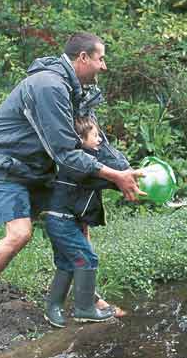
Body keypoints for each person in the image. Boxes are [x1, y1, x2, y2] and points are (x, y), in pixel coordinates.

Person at [0, 32, 144, 332]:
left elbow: (98, 144)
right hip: (3, 163)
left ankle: (87, 298)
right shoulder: (49, 86)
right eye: (101, 59)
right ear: (83, 58)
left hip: (34, 165)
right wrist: (114, 177)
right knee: (19, 234)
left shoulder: (75, 89)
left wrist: (130, 174)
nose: (104, 66)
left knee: (76, 222)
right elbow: (66, 153)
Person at [43, 115, 131, 327]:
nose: (100, 140)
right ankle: (84, 309)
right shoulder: (82, 165)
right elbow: (119, 167)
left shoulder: (85, 161)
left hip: (62, 221)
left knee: (66, 263)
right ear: (80, 140)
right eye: (95, 136)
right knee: (86, 259)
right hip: (61, 221)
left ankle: (53, 307)